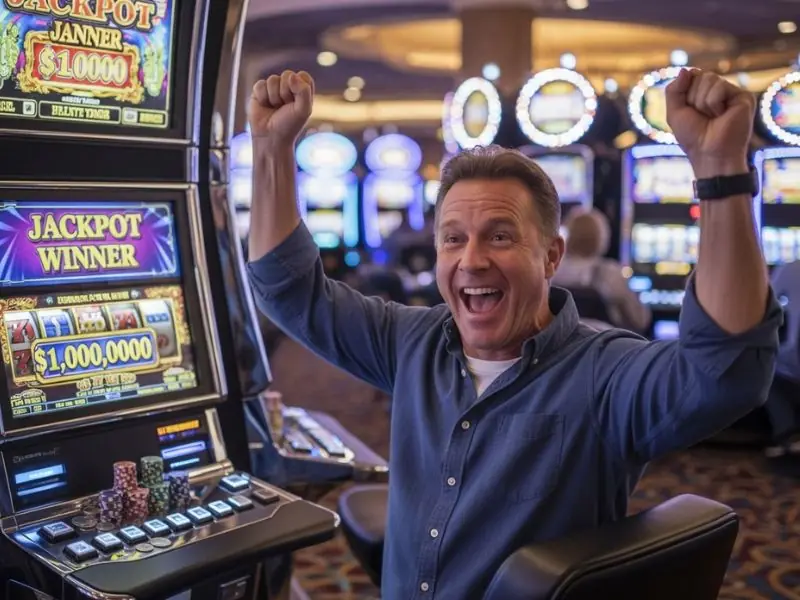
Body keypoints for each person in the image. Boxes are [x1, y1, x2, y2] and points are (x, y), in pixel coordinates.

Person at [246, 69, 780, 599]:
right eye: (453, 239)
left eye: (500, 236)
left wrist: (720, 172)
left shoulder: (602, 373)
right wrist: (271, 148)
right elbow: (290, 292)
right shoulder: (413, 342)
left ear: (551, 256)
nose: (471, 260)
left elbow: (726, 371)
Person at [552, 207, 651, 332]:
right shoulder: (609, 273)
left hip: (559, 341)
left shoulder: (551, 271)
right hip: (602, 342)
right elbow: (640, 320)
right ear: (602, 238)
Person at [763, 260, 800, 458]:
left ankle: (788, 435)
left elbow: (764, 304)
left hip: (795, 359)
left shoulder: (792, 268)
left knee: (765, 367)